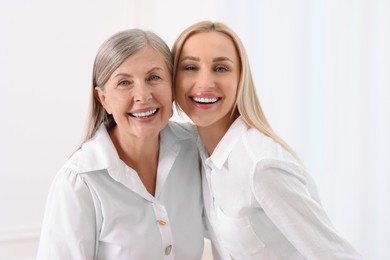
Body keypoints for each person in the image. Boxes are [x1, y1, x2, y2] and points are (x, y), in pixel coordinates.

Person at [172, 20, 362, 260]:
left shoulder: (261, 166)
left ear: (241, 79)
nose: (205, 83)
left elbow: (335, 255)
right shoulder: (195, 149)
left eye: (221, 68)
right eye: (190, 67)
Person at [37, 29, 204, 259]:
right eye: (124, 82)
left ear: (173, 88)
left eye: (154, 77)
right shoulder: (80, 182)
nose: (143, 95)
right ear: (103, 99)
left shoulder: (195, 148)